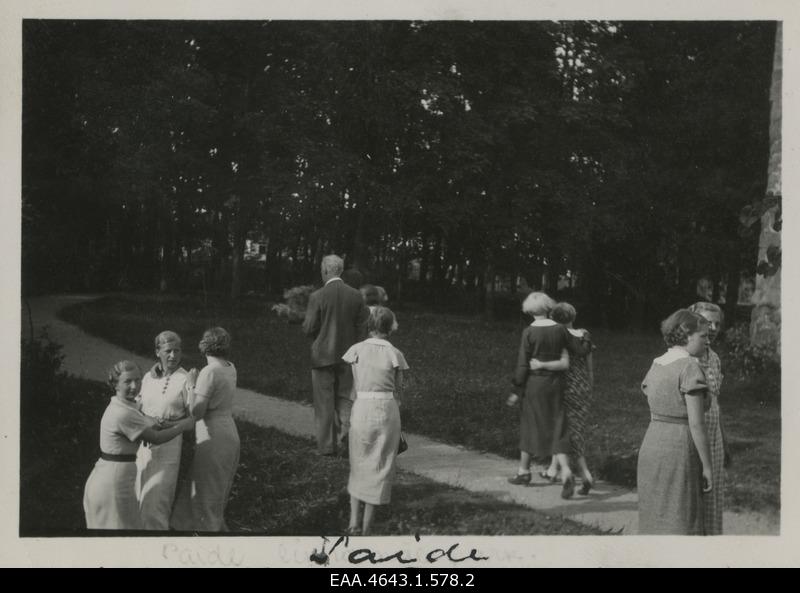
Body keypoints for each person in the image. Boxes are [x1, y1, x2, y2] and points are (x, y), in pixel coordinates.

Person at [83, 360, 194, 530]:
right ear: (115, 385)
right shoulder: (123, 412)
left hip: (112, 477)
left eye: (138, 380)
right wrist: (183, 426)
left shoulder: (125, 406)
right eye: (127, 381)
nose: (134, 386)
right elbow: (156, 437)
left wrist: (154, 421)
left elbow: (143, 419)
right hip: (113, 482)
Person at [637, 309, 713, 535]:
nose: (708, 342)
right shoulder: (690, 366)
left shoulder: (657, 363)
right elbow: (696, 424)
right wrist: (707, 466)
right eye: (704, 336)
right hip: (680, 448)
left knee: (656, 514)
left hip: (652, 443)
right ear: (687, 335)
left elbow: (650, 394)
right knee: (682, 516)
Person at [342, 306, 408, 536]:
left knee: (358, 460)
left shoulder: (356, 350)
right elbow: (399, 389)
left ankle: (353, 522)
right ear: (390, 327)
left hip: (362, 407)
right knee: (380, 463)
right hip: (387, 409)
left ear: (369, 325)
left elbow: (355, 384)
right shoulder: (395, 354)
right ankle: (367, 526)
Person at [170, 327, 240, 532]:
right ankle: (205, 527)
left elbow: (197, 412)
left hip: (213, 434)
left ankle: (206, 533)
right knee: (215, 488)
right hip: (229, 432)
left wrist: (192, 385)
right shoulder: (230, 367)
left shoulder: (209, 372)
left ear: (204, 346)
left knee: (205, 489)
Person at [507, 291, 575, 499]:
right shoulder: (561, 330)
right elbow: (577, 348)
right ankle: (567, 473)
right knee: (558, 427)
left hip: (535, 385)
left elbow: (522, 364)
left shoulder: (528, 332)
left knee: (530, 426)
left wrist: (516, 389)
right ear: (548, 307)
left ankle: (524, 471)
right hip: (556, 385)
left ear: (529, 310)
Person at [303, 254, 370, 456]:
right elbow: (362, 326)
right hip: (349, 356)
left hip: (322, 356)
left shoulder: (317, 296)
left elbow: (308, 328)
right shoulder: (356, 295)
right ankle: (348, 443)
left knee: (324, 403)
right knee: (346, 400)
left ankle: (326, 447)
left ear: (324, 271)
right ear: (340, 271)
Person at [135, 330, 192, 530]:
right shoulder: (149, 378)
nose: (173, 356)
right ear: (157, 352)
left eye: (177, 351)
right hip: (143, 446)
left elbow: (193, 418)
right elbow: (136, 408)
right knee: (138, 497)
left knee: (157, 504)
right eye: (168, 351)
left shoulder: (185, 380)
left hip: (169, 445)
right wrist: (146, 422)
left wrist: (168, 425)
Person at [539, 302, 596, 495]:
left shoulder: (557, 337)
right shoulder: (585, 335)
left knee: (560, 432)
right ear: (574, 316)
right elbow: (589, 366)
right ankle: (564, 471)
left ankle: (568, 473)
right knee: (576, 431)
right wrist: (589, 386)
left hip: (562, 388)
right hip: (582, 388)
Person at [688, 301, 728, 535]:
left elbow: (715, 401)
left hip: (714, 437)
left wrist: (725, 439)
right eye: (706, 322)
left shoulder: (714, 358)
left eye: (717, 323)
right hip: (693, 436)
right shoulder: (686, 360)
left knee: (713, 495)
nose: (713, 328)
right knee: (693, 493)